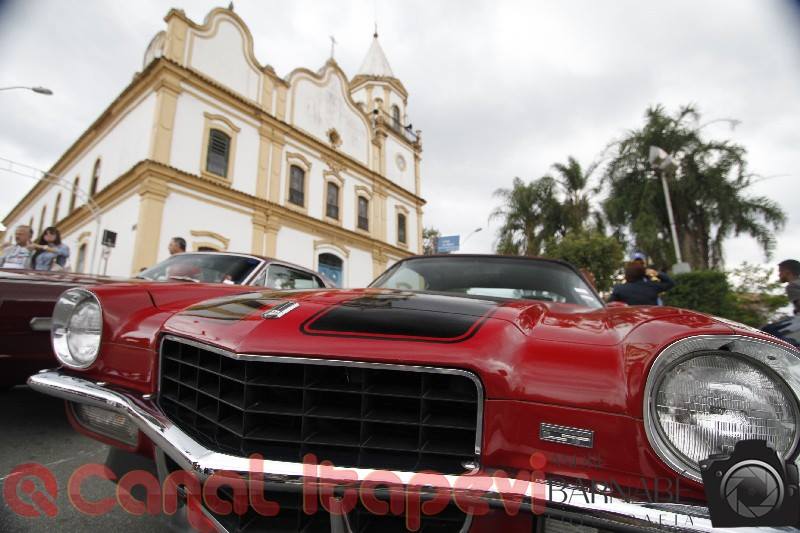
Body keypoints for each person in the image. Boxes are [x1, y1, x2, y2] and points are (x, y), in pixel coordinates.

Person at [608, 262, 675, 306]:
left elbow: (610, 305)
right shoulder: (652, 286)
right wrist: (656, 273)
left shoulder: (620, 289)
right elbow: (670, 283)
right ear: (644, 274)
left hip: (631, 323)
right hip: (651, 320)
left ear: (627, 275)